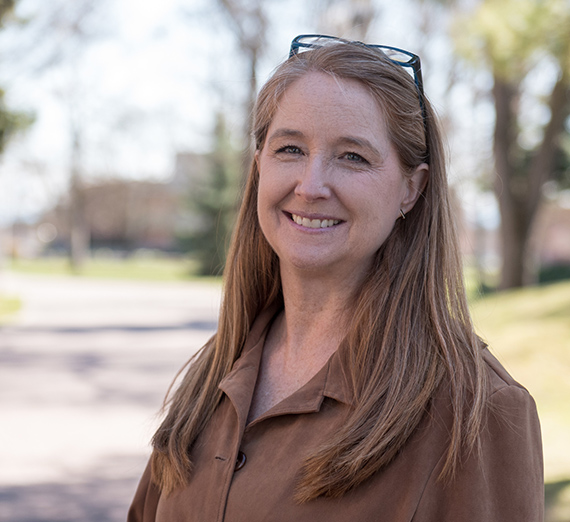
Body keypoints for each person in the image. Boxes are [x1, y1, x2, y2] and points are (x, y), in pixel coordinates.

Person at [128, 35, 544, 521]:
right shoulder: (218, 370)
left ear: (413, 188)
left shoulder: (477, 412)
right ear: (259, 165)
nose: (310, 185)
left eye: (353, 157)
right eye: (289, 149)